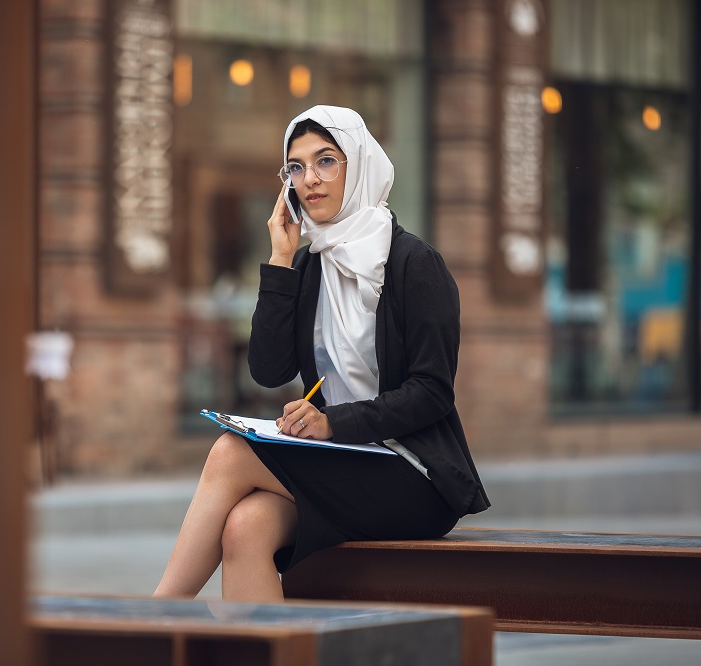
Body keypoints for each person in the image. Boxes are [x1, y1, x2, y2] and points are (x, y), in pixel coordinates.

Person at [153, 105, 489, 602]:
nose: (309, 179)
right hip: (343, 462)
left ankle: (154, 622)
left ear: (357, 165)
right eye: (296, 166)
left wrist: (333, 423)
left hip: (415, 474)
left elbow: (432, 393)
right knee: (245, 528)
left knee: (231, 452)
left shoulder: (415, 264)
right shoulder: (310, 263)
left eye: (326, 160)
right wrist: (281, 260)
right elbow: (268, 371)